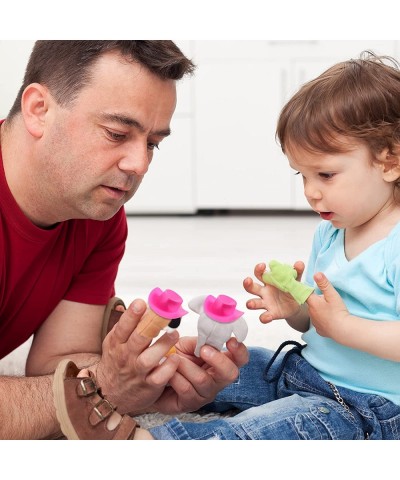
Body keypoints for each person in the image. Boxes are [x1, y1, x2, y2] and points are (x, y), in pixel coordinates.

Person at [143, 51, 400, 440]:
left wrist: (344, 327)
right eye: (303, 175)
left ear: (390, 160)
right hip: (303, 371)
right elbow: (315, 323)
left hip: (363, 408)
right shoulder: (331, 231)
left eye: (326, 175)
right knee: (220, 365)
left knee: (256, 433)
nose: (311, 192)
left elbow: (344, 328)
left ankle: (145, 444)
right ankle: (133, 389)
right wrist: (296, 309)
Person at [0, 40, 248, 440]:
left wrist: (146, 378)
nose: (140, 164)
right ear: (38, 110)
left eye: (152, 143)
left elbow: (55, 364)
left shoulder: (96, 215)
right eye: (117, 134)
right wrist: (98, 389)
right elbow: (81, 385)